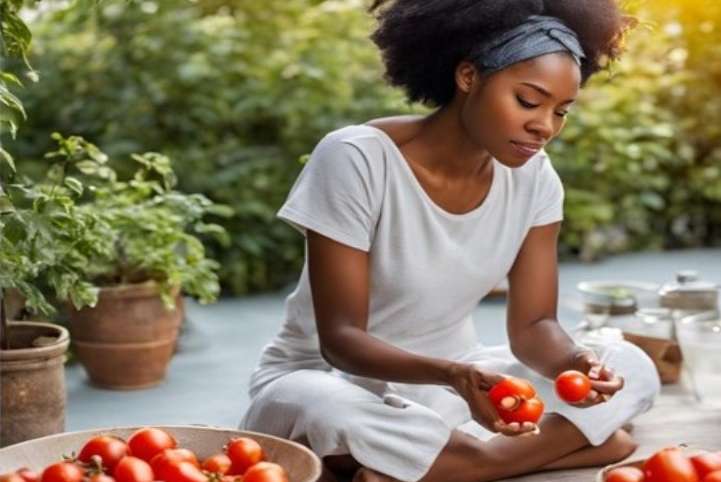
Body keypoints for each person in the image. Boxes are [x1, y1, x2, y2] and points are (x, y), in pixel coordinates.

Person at [240, 1, 660, 481]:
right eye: (528, 100)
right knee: (332, 412)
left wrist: (577, 362)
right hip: (326, 380)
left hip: (456, 385)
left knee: (630, 363)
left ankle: (425, 464)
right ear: (468, 77)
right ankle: (525, 454)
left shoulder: (536, 179)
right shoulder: (356, 158)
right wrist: (454, 378)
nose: (544, 126)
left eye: (561, 111)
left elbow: (534, 326)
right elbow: (341, 341)